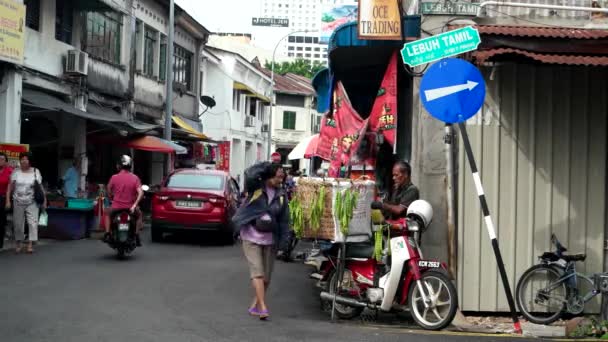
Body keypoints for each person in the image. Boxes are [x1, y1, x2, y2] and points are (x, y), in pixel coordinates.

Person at [232, 162, 289, 320]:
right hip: (250, 236)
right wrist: (269, 165)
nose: (280, 180)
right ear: (269, 175)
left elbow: (285, 220)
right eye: (277, 176)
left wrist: (285, 243)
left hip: (270, 239)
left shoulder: (282, 195)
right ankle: (263, 307)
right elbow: (249, 173)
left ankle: (254, 305)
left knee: (266, 277)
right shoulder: (255, 187)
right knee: (257, 271)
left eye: (282, 177)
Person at [5, 152, 46, 254]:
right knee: (18, 224)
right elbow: (10, 187)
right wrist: (7, 200)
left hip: (32, 201)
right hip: (17, 200)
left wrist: (44, 200)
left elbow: (40, 188)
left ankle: (30, 244)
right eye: (22, 159)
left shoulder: (36, 172)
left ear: (30, 160)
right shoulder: (16, 172)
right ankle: (18, 243)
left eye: (26, 159)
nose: (24, 160)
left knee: (32, 223)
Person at [105, 155, 143, 246]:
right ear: (130, 166)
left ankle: (107, 234)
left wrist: (111, 197)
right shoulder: (135, 178)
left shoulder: (114, 177)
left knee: (107, 214)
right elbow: (141, 193)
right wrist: (135, 204)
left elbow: (108, 190)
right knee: (140, 215)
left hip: (116, 207)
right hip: (130, 208)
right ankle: (137, 235)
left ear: (119, 166)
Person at [0, 152, 13, 249]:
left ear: (6, 161)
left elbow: (10, 188)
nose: (0, 161)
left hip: (3, 198)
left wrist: (8, 201)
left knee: (1, 221)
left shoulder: (9, 171)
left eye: (2, 159)